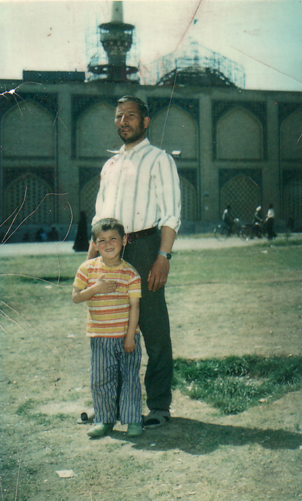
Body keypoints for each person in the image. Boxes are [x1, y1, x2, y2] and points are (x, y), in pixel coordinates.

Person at [88, 95, 181, 428]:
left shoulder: (159, 160)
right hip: (110, 253)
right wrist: (90, 261)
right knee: (111, 332)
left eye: (130, 115)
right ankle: (110, 408)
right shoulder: (111, 165)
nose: (123, 121)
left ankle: (158, 405)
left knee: (153, 329)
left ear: (146, 121)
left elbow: (170, 214)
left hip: (144, 249)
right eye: (118, 116)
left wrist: (162, 257)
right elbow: (100, 217)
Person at [73, 218, 144, 437]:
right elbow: (76, 297)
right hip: (100, 337)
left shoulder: (130, 273)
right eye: (102, 240)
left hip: (126, 337)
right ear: (95, 244)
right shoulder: (87, 269)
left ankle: (133, 420)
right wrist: (96, 289)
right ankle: (104, 420)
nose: (108, 244)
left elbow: (134, 306)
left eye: (113, 238)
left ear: (124, 240)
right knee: (101, 380)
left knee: (130, 380)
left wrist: (130, 336)